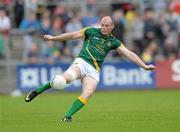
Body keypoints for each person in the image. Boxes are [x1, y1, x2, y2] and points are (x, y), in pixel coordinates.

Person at [25, 16, 155, 122]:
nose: (103, 27)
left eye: (106, 25)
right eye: (102, 25)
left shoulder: (114, 42)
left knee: (88, 93)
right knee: (66, 79)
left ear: (112, 27)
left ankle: (67, 116)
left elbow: (129, 54)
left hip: (93, 71)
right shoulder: (91, 31)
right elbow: (72, 35)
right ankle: (37, 91)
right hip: (81, 62)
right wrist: (54, 38)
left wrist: (144, 65)